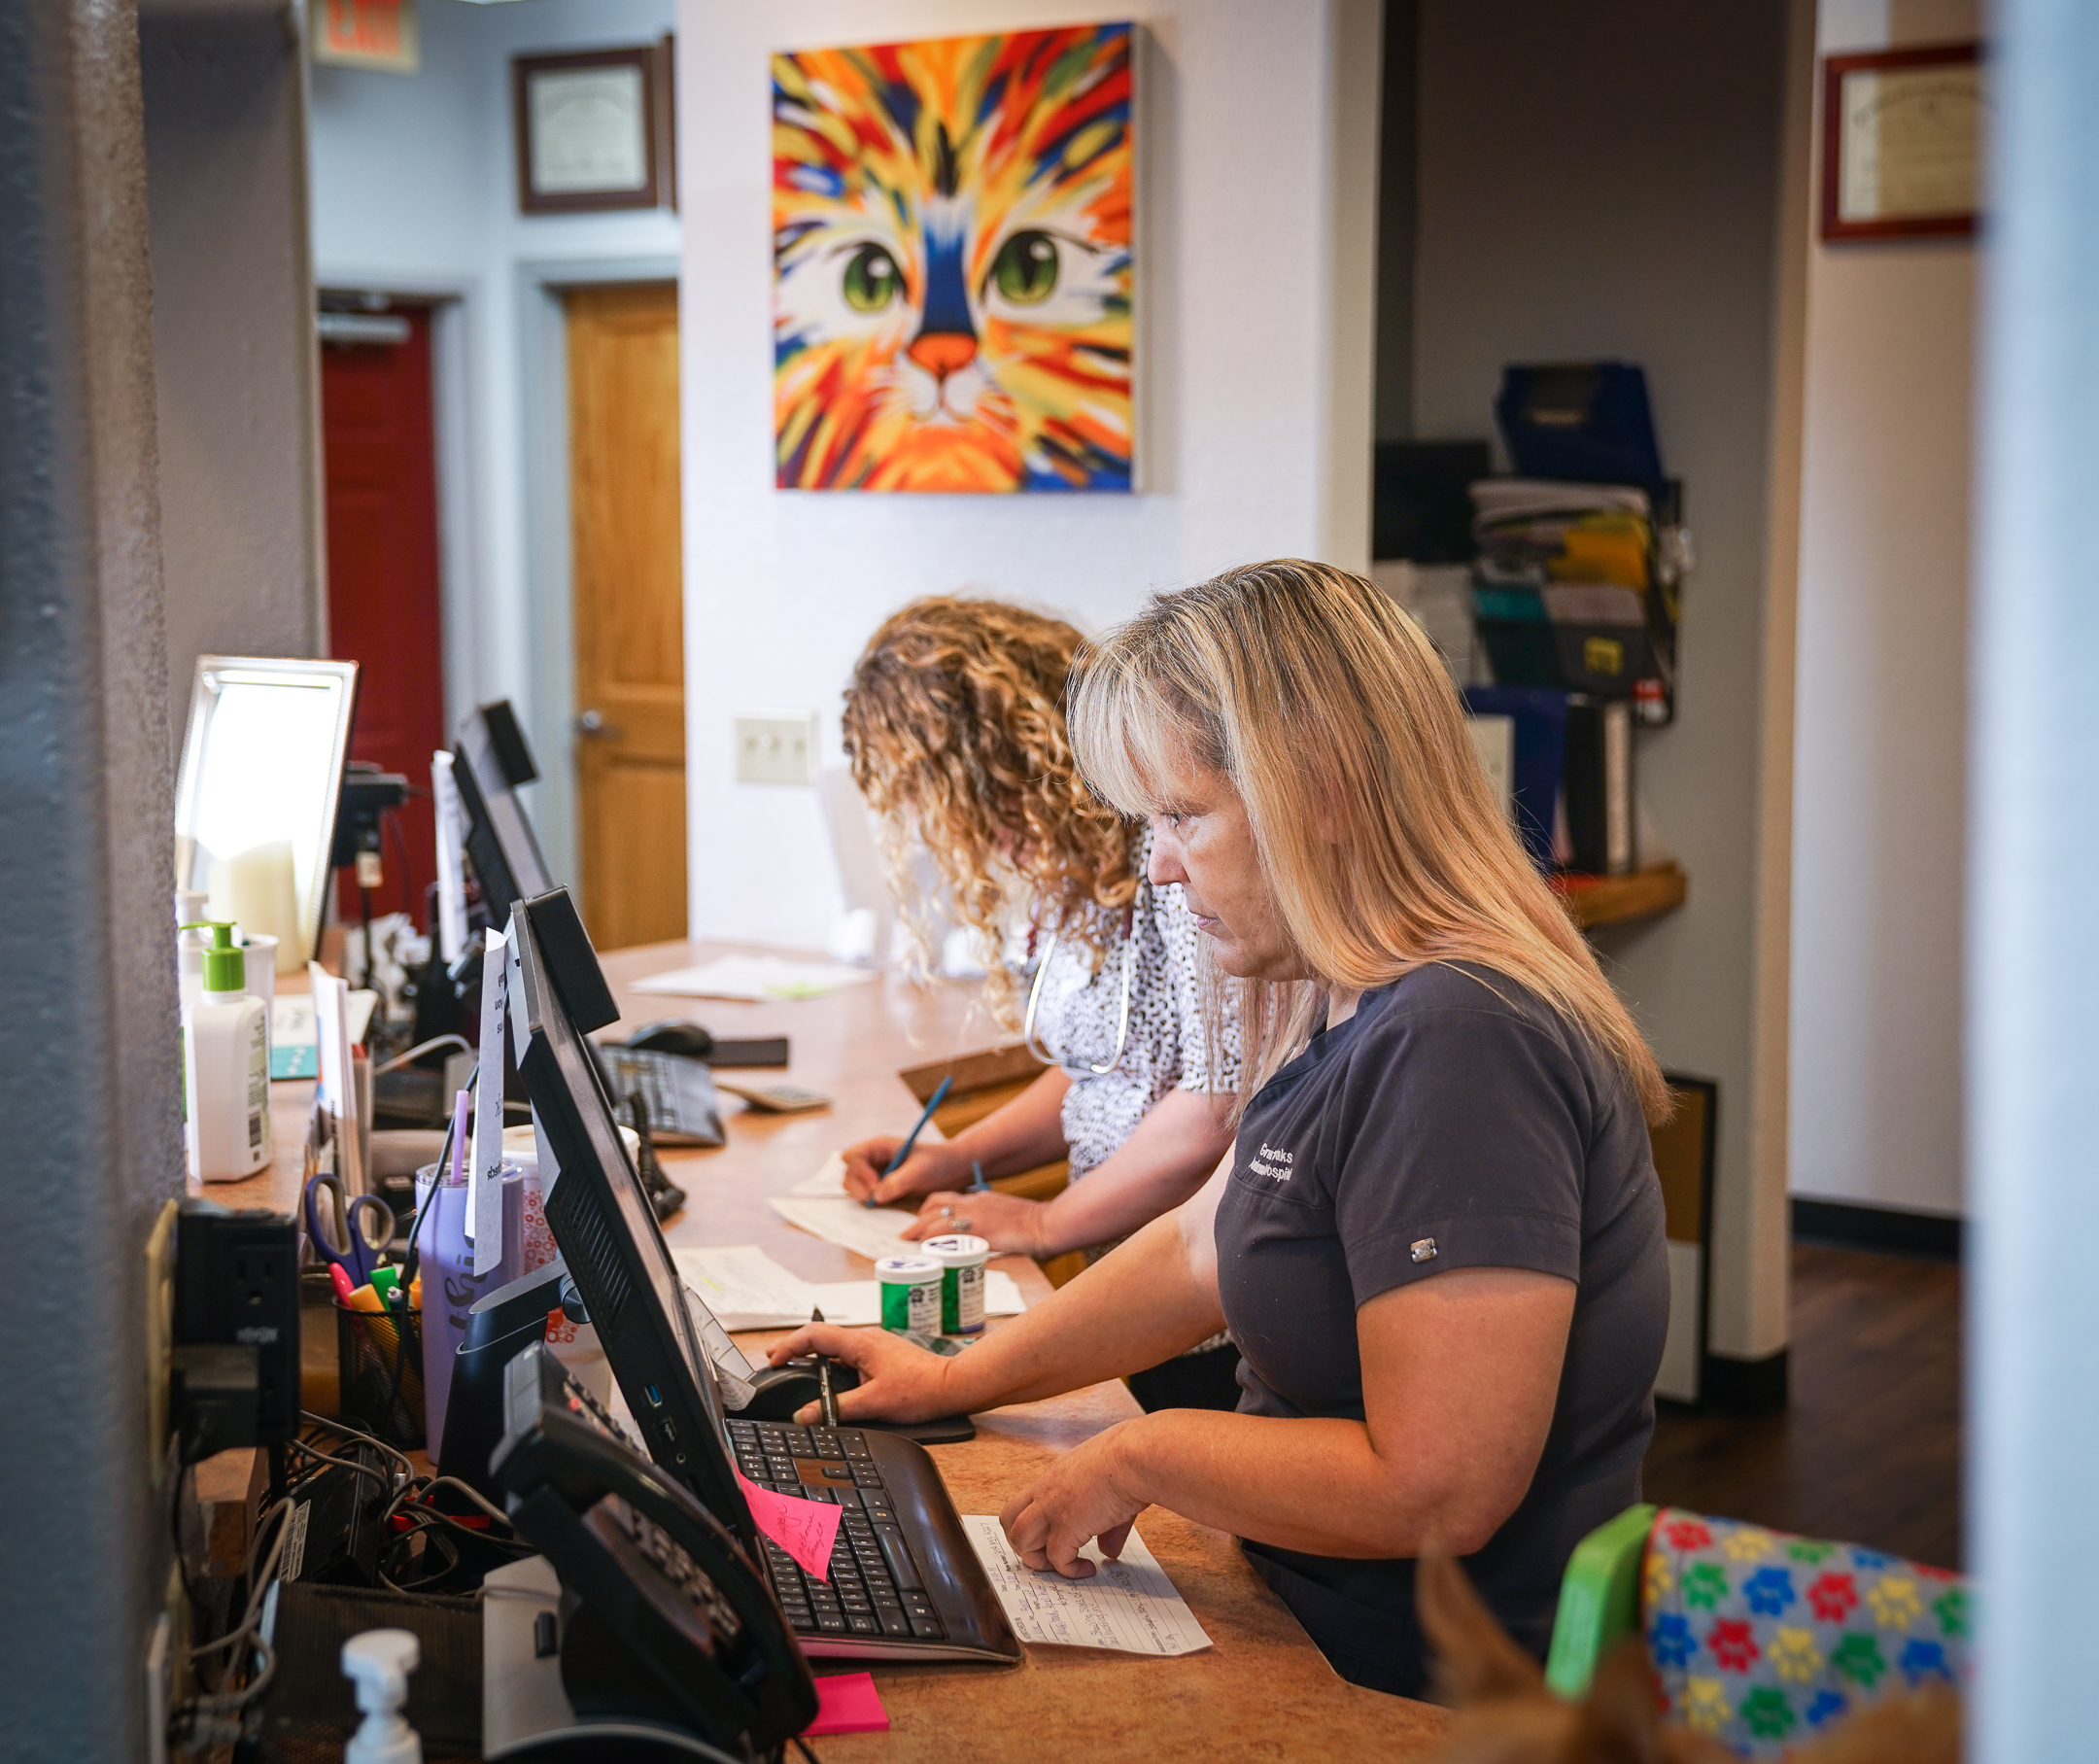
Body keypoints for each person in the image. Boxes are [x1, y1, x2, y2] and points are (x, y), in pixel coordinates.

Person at [773, 561, 1671, 1698]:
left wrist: (1146, 1451)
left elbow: (1440, 1485)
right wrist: (956, 1378)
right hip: (1299, 1611)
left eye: (1184, 815)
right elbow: (1202, 1245)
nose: (1157, 862)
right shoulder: (1342, 988)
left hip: (1415, 1691)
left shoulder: (1459, 1036)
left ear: (1324, 789)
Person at [838, 597, 1244, 1412]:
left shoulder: (1169, 858)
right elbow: (1097, 1070)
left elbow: (1214, 1101)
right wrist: (959, 1157)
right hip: (1126, 1282)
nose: (964, 834)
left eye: (956, 799)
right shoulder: (1075, 875)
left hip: (1196, 1310)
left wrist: (1044, 1223)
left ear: (1012, 762)